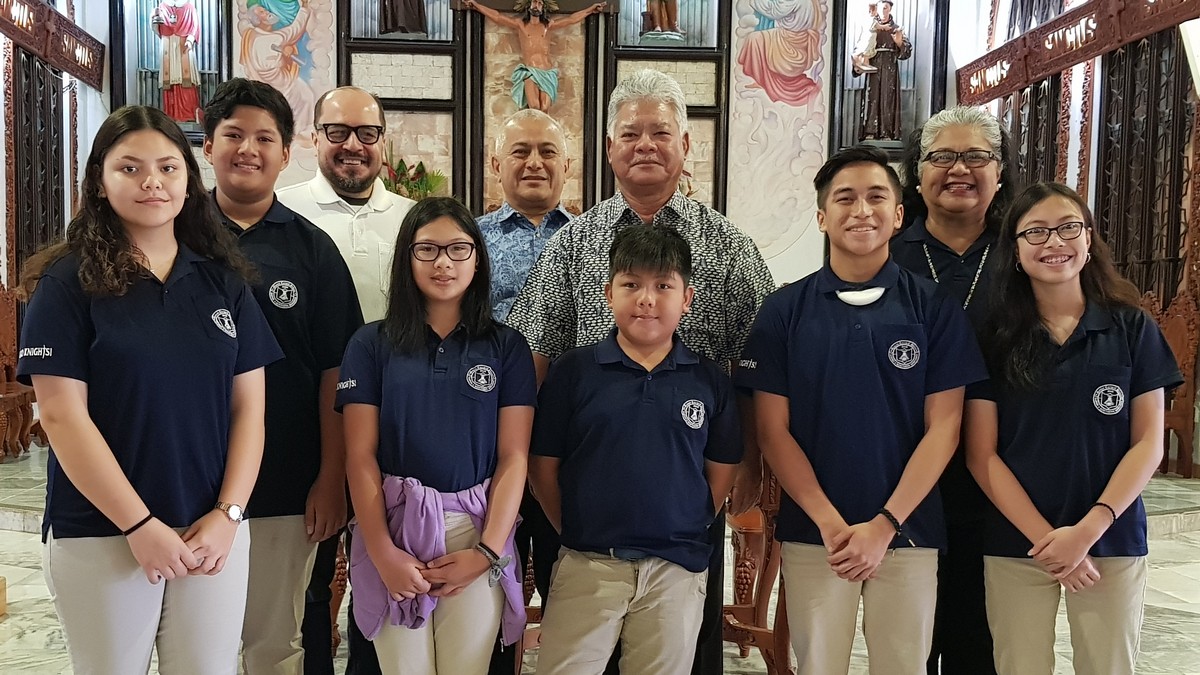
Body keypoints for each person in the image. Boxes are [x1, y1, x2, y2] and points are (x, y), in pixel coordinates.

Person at [507, 68, 775, 675]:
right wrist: (520, 466)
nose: (646, 145)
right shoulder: (573, 244)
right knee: (580, 644)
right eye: (631, 134)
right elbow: (535, 358)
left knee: (681, 649)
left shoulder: (728, 245)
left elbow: (758, 367)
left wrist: (750, 472)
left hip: (686, 487)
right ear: (608, 149)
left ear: (686, 146)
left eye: (661, 132)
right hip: (586, 489)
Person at [16, 105, 282, 674]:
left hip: (210, 530)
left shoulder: (221, 281)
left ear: (190, 180)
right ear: (99, 180)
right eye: (130, 168)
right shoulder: (67, 283)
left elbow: (250, 412)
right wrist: (138, 525)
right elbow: (63, 417)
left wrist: (229, 512)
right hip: (102, 531)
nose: (152, 182)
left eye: (168, 167)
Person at [736, 146, 986, 674]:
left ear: (898, 215)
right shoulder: (785, 311)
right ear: (823, 216)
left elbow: (945, 427)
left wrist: (884, 524)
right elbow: (772, 431)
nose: (861, 210)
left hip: (909, 529)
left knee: (903, 665)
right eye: (844, 199)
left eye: (877, 197)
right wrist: (829, 522)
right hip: (815, 534)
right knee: (818, 664)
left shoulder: (933, 309)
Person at [965, 182, 1182, 675]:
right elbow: (982, 454)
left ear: (1089, 239)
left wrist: (1087, 531)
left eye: (1067, 228)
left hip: (1111, 535)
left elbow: (1148, 443)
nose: (1053, 243)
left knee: (1108, 666)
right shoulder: (992, 336)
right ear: (1016, 252)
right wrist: (1048, 539)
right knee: (1019, 665)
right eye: (1035, 232)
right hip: (1018, 539)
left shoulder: (1131, 327)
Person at [202, 78, 364, 675]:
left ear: (285, 150)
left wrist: (330, 476)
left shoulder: (312, 250)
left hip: (286, 479)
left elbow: (335, 371)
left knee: (274, 641)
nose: (248, 149)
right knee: (196, 645)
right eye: (233, 135)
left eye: (264, 137)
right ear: (208, 146)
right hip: (186, 477)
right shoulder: (172, 236)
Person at [529, 226, 741, 675]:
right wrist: (573, 526)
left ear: (687, 298)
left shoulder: (708, 381)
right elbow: (543, 466)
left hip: (675, 570)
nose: (647, 298)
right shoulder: (574, 372)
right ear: (609, 293)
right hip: (589, 563)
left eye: (663, 285)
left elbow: (721, 470)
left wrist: (689, 521)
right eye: (631, 285)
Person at [337, 197, 535, 675]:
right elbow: (360, 456)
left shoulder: (506, 347)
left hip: (476, 529)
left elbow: (513, 457)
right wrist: (383, 551)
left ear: (478, 258)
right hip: (393, 527)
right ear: (407, 257)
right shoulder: (371, 344)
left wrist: (486, 552)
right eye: (427, 250)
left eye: (458, 249)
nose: (443, 262)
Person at [277, 85, 415, 675]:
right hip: (310, 424)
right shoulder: (285, 214)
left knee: (386, 568)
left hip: (401, 427)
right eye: (338, 132)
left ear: (384, 142)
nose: (353, 146)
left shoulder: (413, 220)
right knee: (307, 577)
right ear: (315, 140)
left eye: (367, 133)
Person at [891, 105, 1017, 675]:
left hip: (1004, 477)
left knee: (982, 644)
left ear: (1000, 170)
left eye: (975, 156)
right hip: (907, 474)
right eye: (941, 156)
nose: (957, 169)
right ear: (917, 174)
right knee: (907, 643)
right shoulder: (886, 253)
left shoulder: (1026, 251)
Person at [462, 0, 607, 112]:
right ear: (528, 5)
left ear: (543, 8)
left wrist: (590, 10)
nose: (536, 5)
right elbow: (498, 17)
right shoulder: (521, 25)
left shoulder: (548, 26)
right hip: (530, 71)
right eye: (534, 2)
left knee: (544, 109)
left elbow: (571, 19)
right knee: (535, 107)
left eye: (539, 3)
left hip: (547, 72)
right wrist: (476, 5)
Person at [240, 0, 316, 135]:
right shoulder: (260, 38)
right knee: (303, 97)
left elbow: (294, 29)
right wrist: (285, 55)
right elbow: (266, 65)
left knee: (306, 96)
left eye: (265, 10)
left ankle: (297, 133)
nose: (267, 12)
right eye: (262, 12)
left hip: (280, 79)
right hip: (276, 81)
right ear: (258, 19)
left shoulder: (270, 35)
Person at [859, 0, 911, 141]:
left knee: (888, 97)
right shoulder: (871, 25)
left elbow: (906, 52)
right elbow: (861, 45)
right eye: (881, 8)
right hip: (874, 63)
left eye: (886, 8)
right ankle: (870, 131)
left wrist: (899, 43)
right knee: (872, 96)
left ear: (890, 9)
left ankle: (886, 133)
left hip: (890, 66)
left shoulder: (897, 28)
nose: (883, 11)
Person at [152, 0, 202, 123]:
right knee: (169, 80)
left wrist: (190, 39)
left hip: (184, 45)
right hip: (167, 44)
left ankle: (188, 114)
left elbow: (195, 25)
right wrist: (154, 16)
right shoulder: (163, 6)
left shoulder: (189, 7)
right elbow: (156, 26)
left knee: (186, 79)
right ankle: (171, 115)